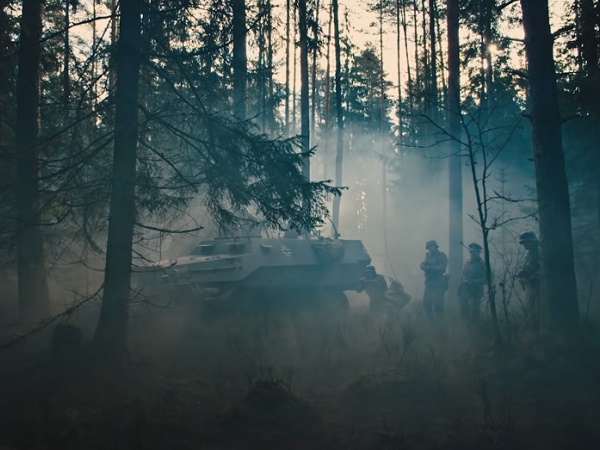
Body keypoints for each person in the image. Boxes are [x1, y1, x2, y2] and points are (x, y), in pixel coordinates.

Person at [516, 231, 541, 330]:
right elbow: (525, 267)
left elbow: (543, 271)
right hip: (531, 286)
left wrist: (529, 279)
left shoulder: (540, 253)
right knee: (530, 308)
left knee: (537, 309)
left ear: (532, 241)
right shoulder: (529, 253)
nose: (524, 245)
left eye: (525, 242)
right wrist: (521, 273)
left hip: (539, 287)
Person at [458, 242, 487, 327]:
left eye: (474, 251)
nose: (472, 253)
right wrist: (463, 280)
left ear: (478, 252)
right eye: (471, 251)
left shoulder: (482, 264)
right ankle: (464, 326)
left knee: (475, 309)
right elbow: (463, 274)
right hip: (466, 288)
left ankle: (476, 326)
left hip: (476, 289)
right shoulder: (467, 262)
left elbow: (487, 278)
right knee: (463, 308)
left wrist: (476, 281)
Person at [420, 240, 448, 321]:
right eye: (429, 247)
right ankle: (432, 323)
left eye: (431, 246)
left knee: (438, 306)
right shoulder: (428, 256)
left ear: (435, 247)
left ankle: (440, 323)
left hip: (439, 283)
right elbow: (422, 265)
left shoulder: (441, 255)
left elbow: (441, 267)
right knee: (426, 305)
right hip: (429, 283)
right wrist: (428, 267)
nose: (430, 248)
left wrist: (429, 268)